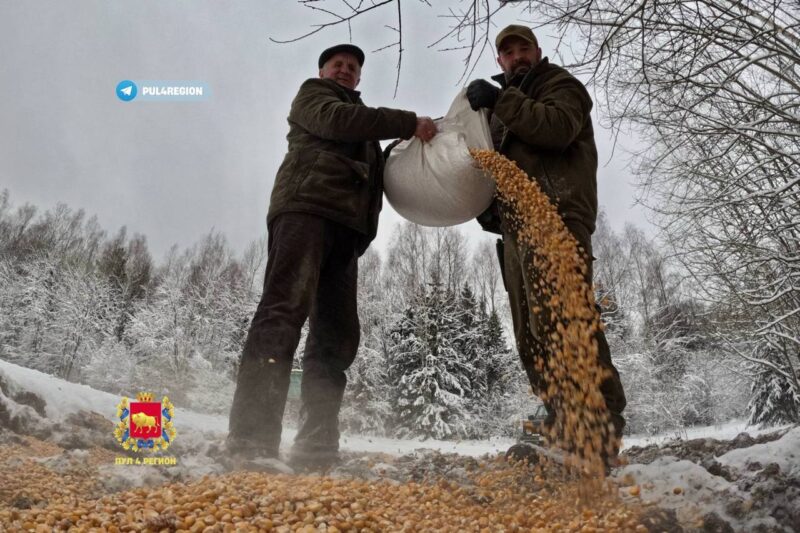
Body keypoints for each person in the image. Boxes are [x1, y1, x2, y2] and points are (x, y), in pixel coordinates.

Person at [226, 43, 437, 470]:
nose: (345, 70)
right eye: (337, 64)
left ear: (359, 77)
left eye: (352, 67)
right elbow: (339, 121)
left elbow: (372, 171)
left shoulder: (364, 129)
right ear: (323, 71)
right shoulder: (314, 96)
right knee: (283, 312)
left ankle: (316, 444)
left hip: (346, 232)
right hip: (306, 209)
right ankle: (251, 440)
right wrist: (407, 122)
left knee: (336, 335)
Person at [466, 25, 627, 466]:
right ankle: (563, 424)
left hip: (556, 213)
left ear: (538, 52)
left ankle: (597, 431)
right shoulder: (502, 109)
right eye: (508, 52)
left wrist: (501, 100)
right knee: (531, 334)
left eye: (524, 49)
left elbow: (555, 128)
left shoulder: (560, 85)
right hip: (516, 226)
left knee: (565, 318)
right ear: (499, 60)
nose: (517, 56)